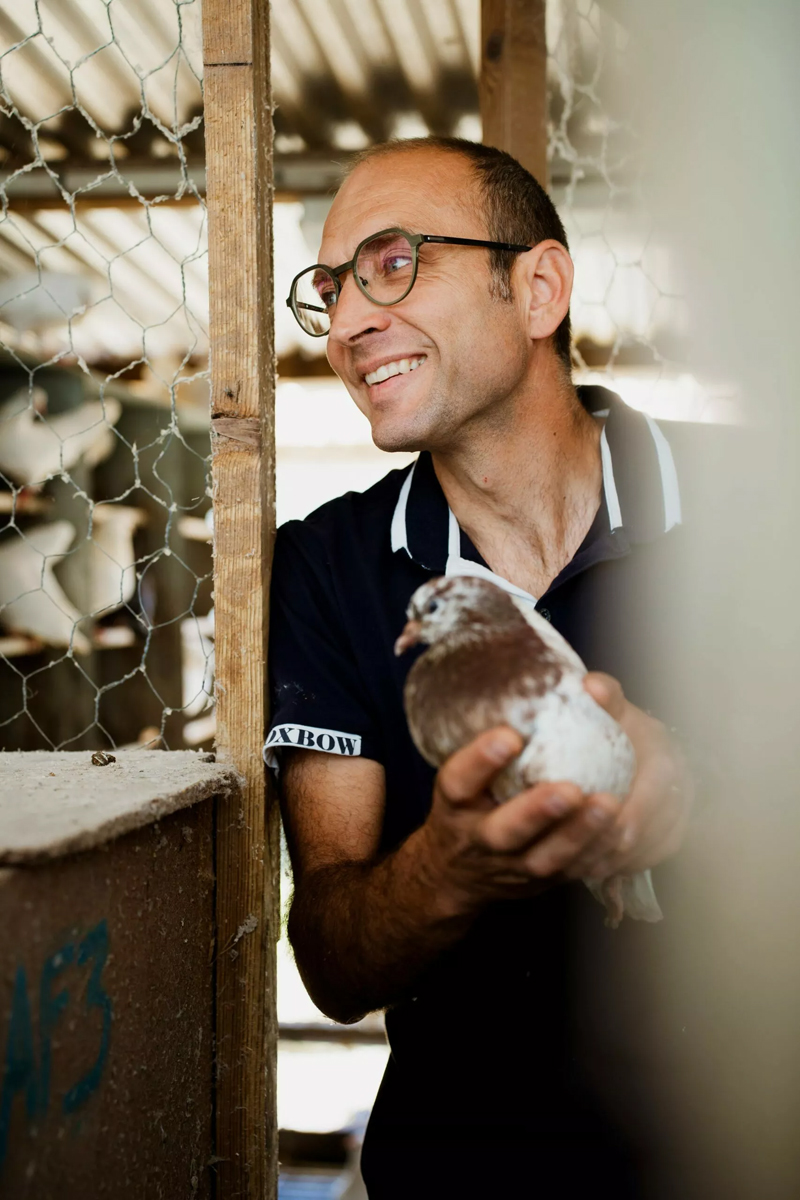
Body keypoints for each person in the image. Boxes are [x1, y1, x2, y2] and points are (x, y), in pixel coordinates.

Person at [266, 137, 694, 1198]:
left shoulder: (761, 509)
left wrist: (701, 804)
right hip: (463, 1165)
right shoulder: (328, 567)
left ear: (536, 287)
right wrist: (452, 864)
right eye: (329, 289)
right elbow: (331, 961)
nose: (350, 319)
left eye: (393, 261)